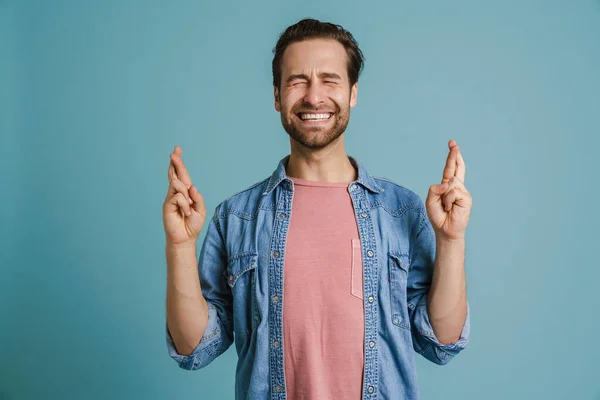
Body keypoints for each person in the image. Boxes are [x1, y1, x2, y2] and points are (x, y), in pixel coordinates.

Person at [163, 18, 471, 400]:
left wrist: (451, 239)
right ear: (277, 96)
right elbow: (195, 348)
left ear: (353, 92)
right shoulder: (237, 217)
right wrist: (179, 246)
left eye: (329, 80)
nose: (313, 97)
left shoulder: (401, 210)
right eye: (297, 81)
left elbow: (440, 341)